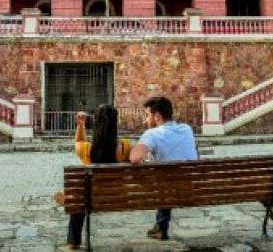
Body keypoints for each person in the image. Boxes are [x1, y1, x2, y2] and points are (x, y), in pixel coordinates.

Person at [129, 96, 197, 241]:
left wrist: (143, 142)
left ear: (157, 116)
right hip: (191, 187)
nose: (145, 120)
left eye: (148, 116)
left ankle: (161, 227)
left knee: (163, 181)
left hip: (166, 190)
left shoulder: (152, 134)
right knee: (169, 177)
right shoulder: (187, 129)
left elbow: (134, 158)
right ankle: (160, 227)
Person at [63, 105, 130, 250]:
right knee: (78, 197)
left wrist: (81, 125)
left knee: (78, 199)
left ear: (96, 123)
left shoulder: (86, 150)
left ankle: (73, 242)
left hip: (92, 199)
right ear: (115, 123)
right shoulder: (125, 147)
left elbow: (78, 142)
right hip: (118, 197)